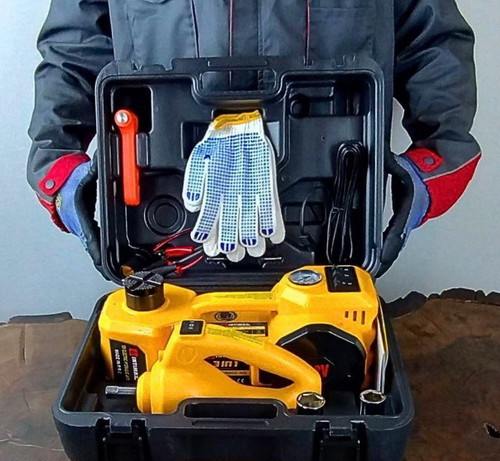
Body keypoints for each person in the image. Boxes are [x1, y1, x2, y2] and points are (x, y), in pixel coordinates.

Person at [27, 0, 481, 276]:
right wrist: (58, 169)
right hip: (162, 247)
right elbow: (74, 50)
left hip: (327, 247)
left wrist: (433, 165)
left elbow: (434, 40)